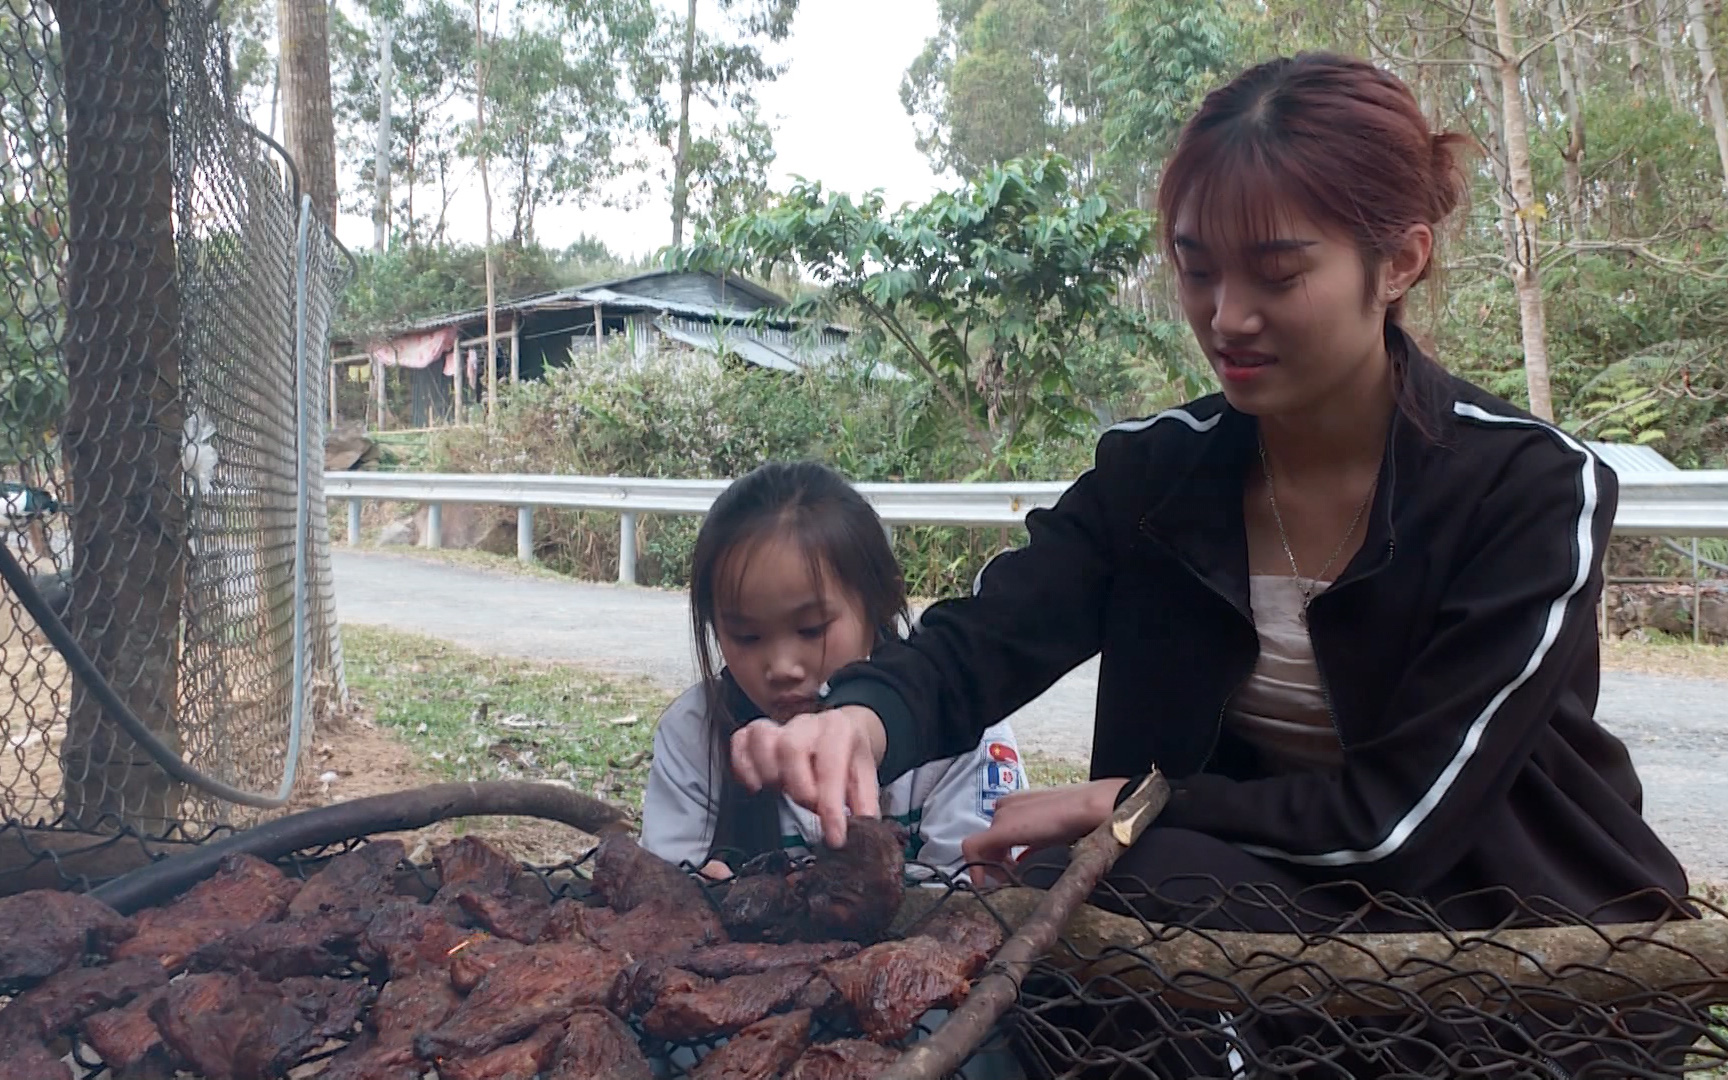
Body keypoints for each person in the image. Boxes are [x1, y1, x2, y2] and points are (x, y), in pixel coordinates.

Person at [725, 55, 1694, 1074]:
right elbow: (992, 634)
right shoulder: (1159, 476)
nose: (1227, 317)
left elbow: (1403, 818)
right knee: (1106, 889)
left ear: (1399, 261)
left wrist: (1129, 803)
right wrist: (866, 714)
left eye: (1277, 273)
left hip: (1505, 932)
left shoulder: (1527, 491)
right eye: (1196, 270)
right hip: (1262, 906)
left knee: (1132, 868)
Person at [640, 460, 1025, 879]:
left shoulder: (962, 730)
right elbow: (665, 884)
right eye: (746, 637)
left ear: (880, 599)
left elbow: (979, 898)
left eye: (811, 629)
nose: (782, 667)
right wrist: (699, 897)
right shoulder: (696, 733)